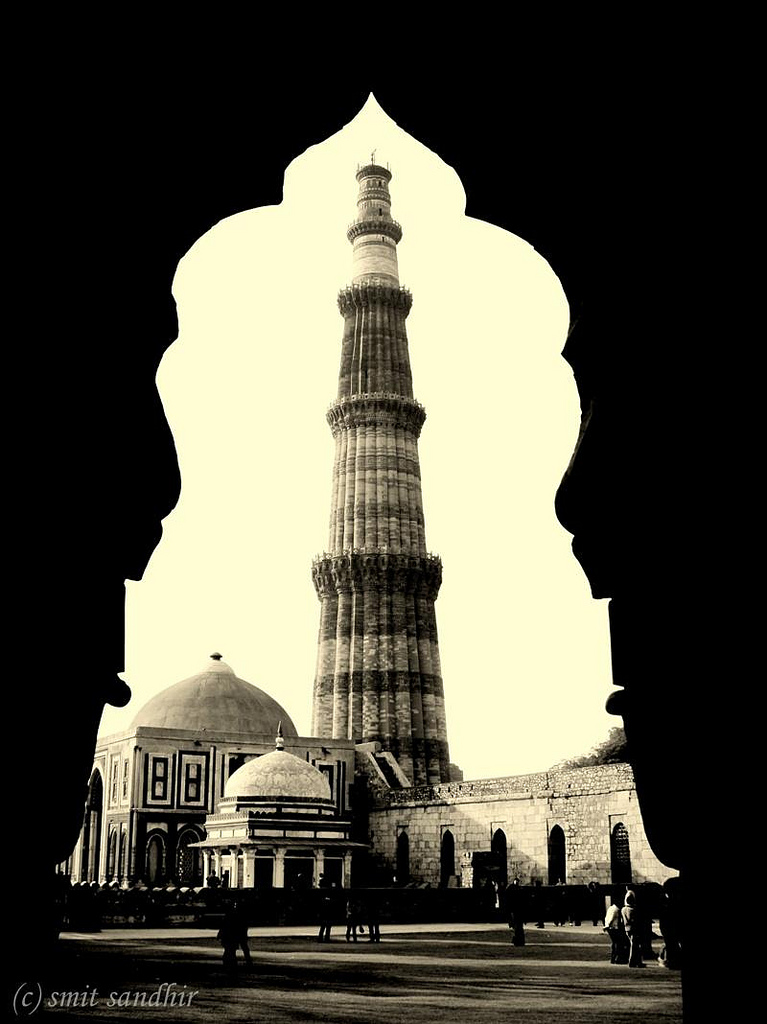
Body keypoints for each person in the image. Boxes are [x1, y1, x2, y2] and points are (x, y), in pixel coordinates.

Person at [217, 900, 252, 972]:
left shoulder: (230, 915)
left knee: (230, 950)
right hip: (237, 934)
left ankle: (231, 964)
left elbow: (224, 926)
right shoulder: (239, 915)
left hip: (233, 935)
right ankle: (246, 962)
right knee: (238, 949)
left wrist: (220, 934)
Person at [621, 891, 644, 967]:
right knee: (635, 946)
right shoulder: (633, 910)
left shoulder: (623, 909)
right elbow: (634, 920)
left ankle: (635, 962)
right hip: (634, 929)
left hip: (627, 928)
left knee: (633, 945)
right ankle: (633, 962)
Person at [604, 896, 628, 964]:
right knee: (618, 943)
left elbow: (607, 917)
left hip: (610, 928)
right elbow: (611, 918)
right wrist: (608, 925)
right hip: (614, 928)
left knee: (615, 943)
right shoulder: (616, 910)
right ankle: (618, 959)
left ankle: (613, 958)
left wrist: (606, 925)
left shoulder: (611, 908)